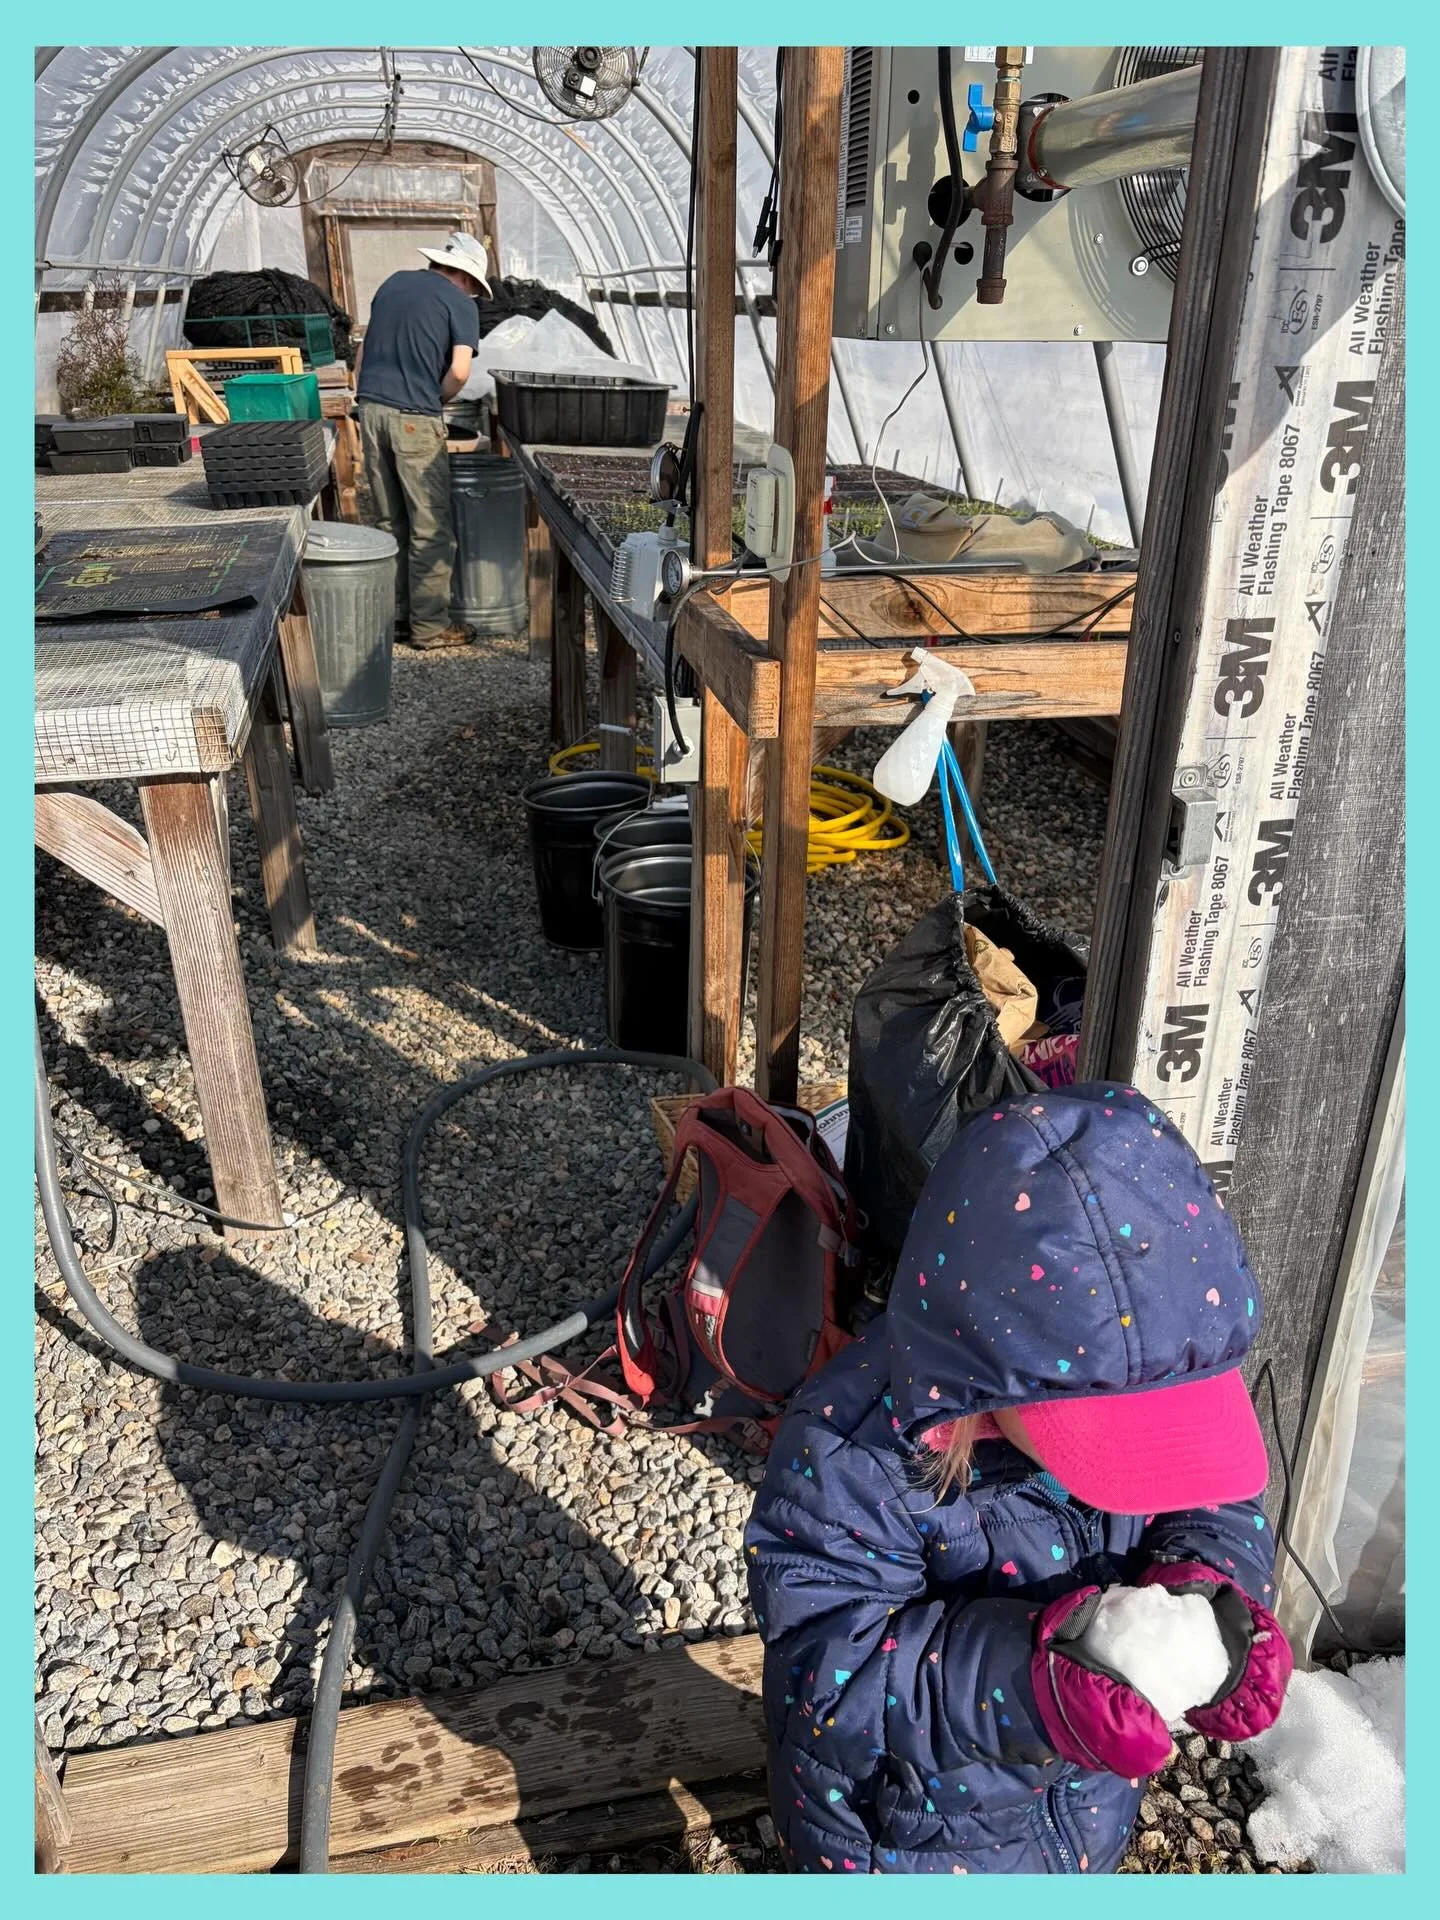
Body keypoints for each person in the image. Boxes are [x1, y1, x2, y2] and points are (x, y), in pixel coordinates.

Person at [745, 1083, 1294, 1874]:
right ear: (989, 1370)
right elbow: (825, 1675)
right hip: (909, 1836)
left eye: (1173, 1425)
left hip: (1081, 1808)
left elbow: (1212, 1495)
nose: (1150, 1467)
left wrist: (1216, 1588)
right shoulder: (850, 1455)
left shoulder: (1165, 1357)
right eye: (1121, 1442)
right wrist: (1029, 1684)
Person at [355, 232, 488, 650]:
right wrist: (437, 398)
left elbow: (362, 353)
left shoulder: (392, 283)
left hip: (371, 411)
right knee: (429, 527)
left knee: (388, 520)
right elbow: (461, 372)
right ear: (466, 277)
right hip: (414, 418)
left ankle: (395, 618)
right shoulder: (460, 304)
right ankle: (429, 627)